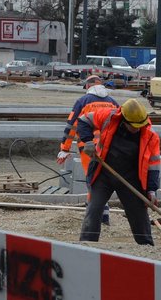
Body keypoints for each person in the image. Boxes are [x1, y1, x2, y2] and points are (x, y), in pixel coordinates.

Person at [76, 98, 161, 245]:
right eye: (133, 126)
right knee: (94, 209)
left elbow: (153, 165)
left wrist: (152, 190)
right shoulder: (109, 117)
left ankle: (146, 246)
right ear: (124, 119)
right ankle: (87, 244)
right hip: (103, 172)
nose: (137, 129)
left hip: (131, 177)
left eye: (139, 125)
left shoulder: (150, 135)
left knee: (138, 213)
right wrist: (88, 141)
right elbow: (83, 121)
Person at [57, 75, 118, 225]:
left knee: (93, 180)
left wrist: (65, 148)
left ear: (87, 86)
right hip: (109, 147)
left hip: (88, 147)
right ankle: (99, 214)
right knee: (102, 179)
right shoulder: (113, 102)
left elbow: (72, 126)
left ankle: (97, 217)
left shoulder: (83, 102)